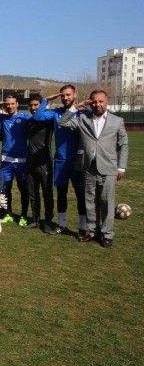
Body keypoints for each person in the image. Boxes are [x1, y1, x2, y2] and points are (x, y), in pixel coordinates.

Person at [58, 90, 128, 248]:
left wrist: (121, 167)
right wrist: (75, 108)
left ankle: (107, 234)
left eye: (100, 101)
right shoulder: (83, 119)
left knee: (106, 202)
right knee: (90, 202)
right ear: (90, 103)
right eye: (94, 102)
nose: (97, 104)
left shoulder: (117, 121)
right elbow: (62, 122)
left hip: (109, 167)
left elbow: (123, 145)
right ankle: (93, 232)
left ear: (106, 102)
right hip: (88, 167)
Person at [33, 85, 87, 235]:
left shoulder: (82, 113)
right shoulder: (56, 113)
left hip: (78, 161)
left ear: (75, 95)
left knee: (80, 195)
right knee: (61, 194)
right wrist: (46, 100)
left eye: (68, 95)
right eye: (63, 95)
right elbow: (37, 117)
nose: (65, 98)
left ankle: (82, 227)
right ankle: (61, 225)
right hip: (60, 161)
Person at [0, 95, 31, 227]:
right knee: (6, 189)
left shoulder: (25, 118)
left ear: (17, 104)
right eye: (7, 104)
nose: (10, 106)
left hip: (22, 160)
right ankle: (8, 214)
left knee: (23, 189)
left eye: (12, 104)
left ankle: (24, 215)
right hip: (6, 160)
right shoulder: (2, 117)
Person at [25, 95, 55, 233]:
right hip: (30, 162)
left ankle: (48, 221)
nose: (33, 108)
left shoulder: (48, 120)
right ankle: (35, 219)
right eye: (31, 105)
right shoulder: (29, 121)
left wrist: (45, 101)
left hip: (44, 162)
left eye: (36, 105)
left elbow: (40, 115)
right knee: (32, 193)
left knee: (47, 193)